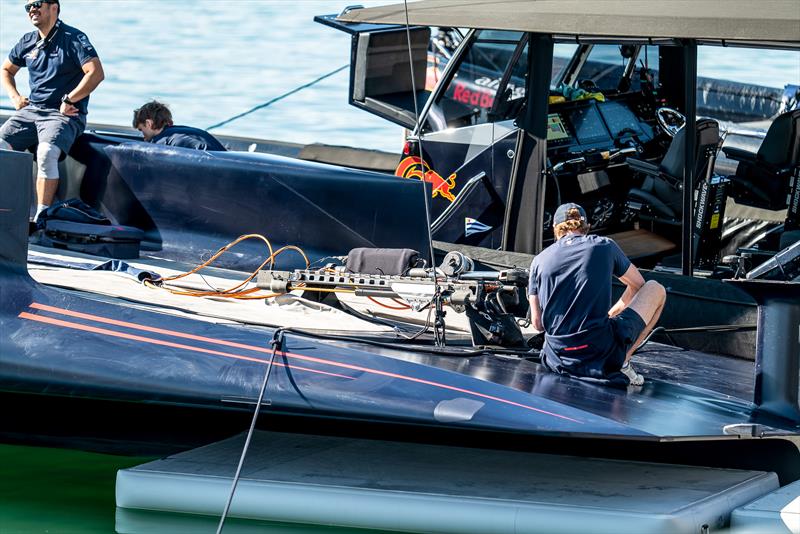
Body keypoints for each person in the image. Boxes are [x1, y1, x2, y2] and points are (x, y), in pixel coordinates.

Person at [528, 203, 666, 386]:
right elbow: (638, 285)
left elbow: (537, 324)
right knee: (655, 288)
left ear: (555, 229)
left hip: (557, 357)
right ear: (586, 228)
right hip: (599, 351)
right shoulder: (604, 246)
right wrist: (611, 314)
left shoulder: (538, 261)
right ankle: (623, 361)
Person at [0, 0, 104, 221]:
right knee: (0, 146)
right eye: (28, 7)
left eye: (37, 4)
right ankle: (6, 211)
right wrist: (16, 97)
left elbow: (95, 73)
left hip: (63, 114)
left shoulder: (73, 38)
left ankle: (42, 217)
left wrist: (70, 98)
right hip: (31, 111)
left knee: (46, 153)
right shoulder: (27, 41)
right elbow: (6, 70)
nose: (32, 10)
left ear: (54, 7)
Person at [132, 100, 226, 151]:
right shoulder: (184, 130)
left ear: (149, 124)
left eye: (141, 130)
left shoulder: (164, 140)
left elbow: (204, 150)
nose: (143, 137)